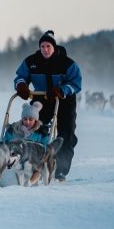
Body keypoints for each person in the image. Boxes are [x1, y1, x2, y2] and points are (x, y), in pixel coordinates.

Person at [13, 30, 82, 182]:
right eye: (42, 46)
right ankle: (26, 163)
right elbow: (20, 76)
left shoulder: (67, 63)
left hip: (64, 101)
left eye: (48, 46)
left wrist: (62, 90)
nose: (45, 49)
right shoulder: (32, 61)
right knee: (32, 129)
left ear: (54, 47)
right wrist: (22, 86)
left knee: (66, 135)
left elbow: (76, 83)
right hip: (40, 100)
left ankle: (59, 171)